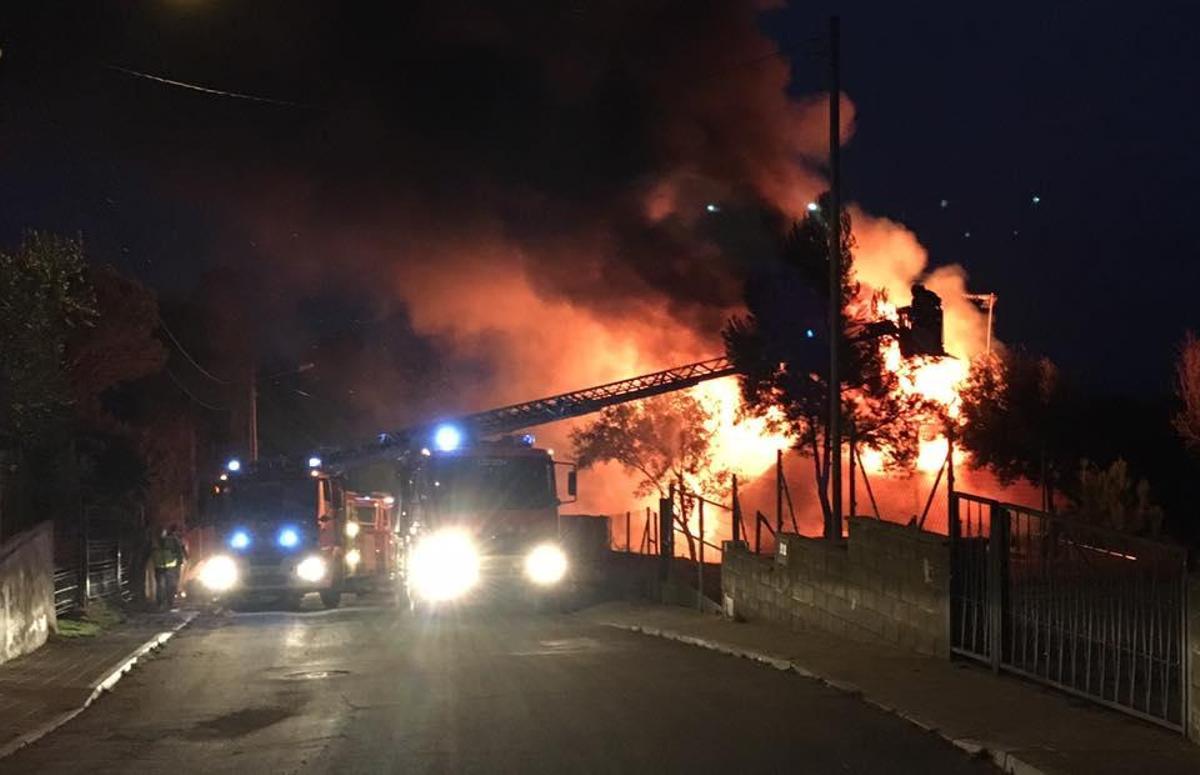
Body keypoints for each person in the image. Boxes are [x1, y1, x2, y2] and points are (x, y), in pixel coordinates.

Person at [152, 524, 188, 610]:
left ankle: (169, 603)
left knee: (170, 585)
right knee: (160, 586)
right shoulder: (154, 541)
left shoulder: (172, 540)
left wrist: (180, 561)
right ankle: (161, 604)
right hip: (159, 567)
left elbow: (179, 550)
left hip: (170, 567)